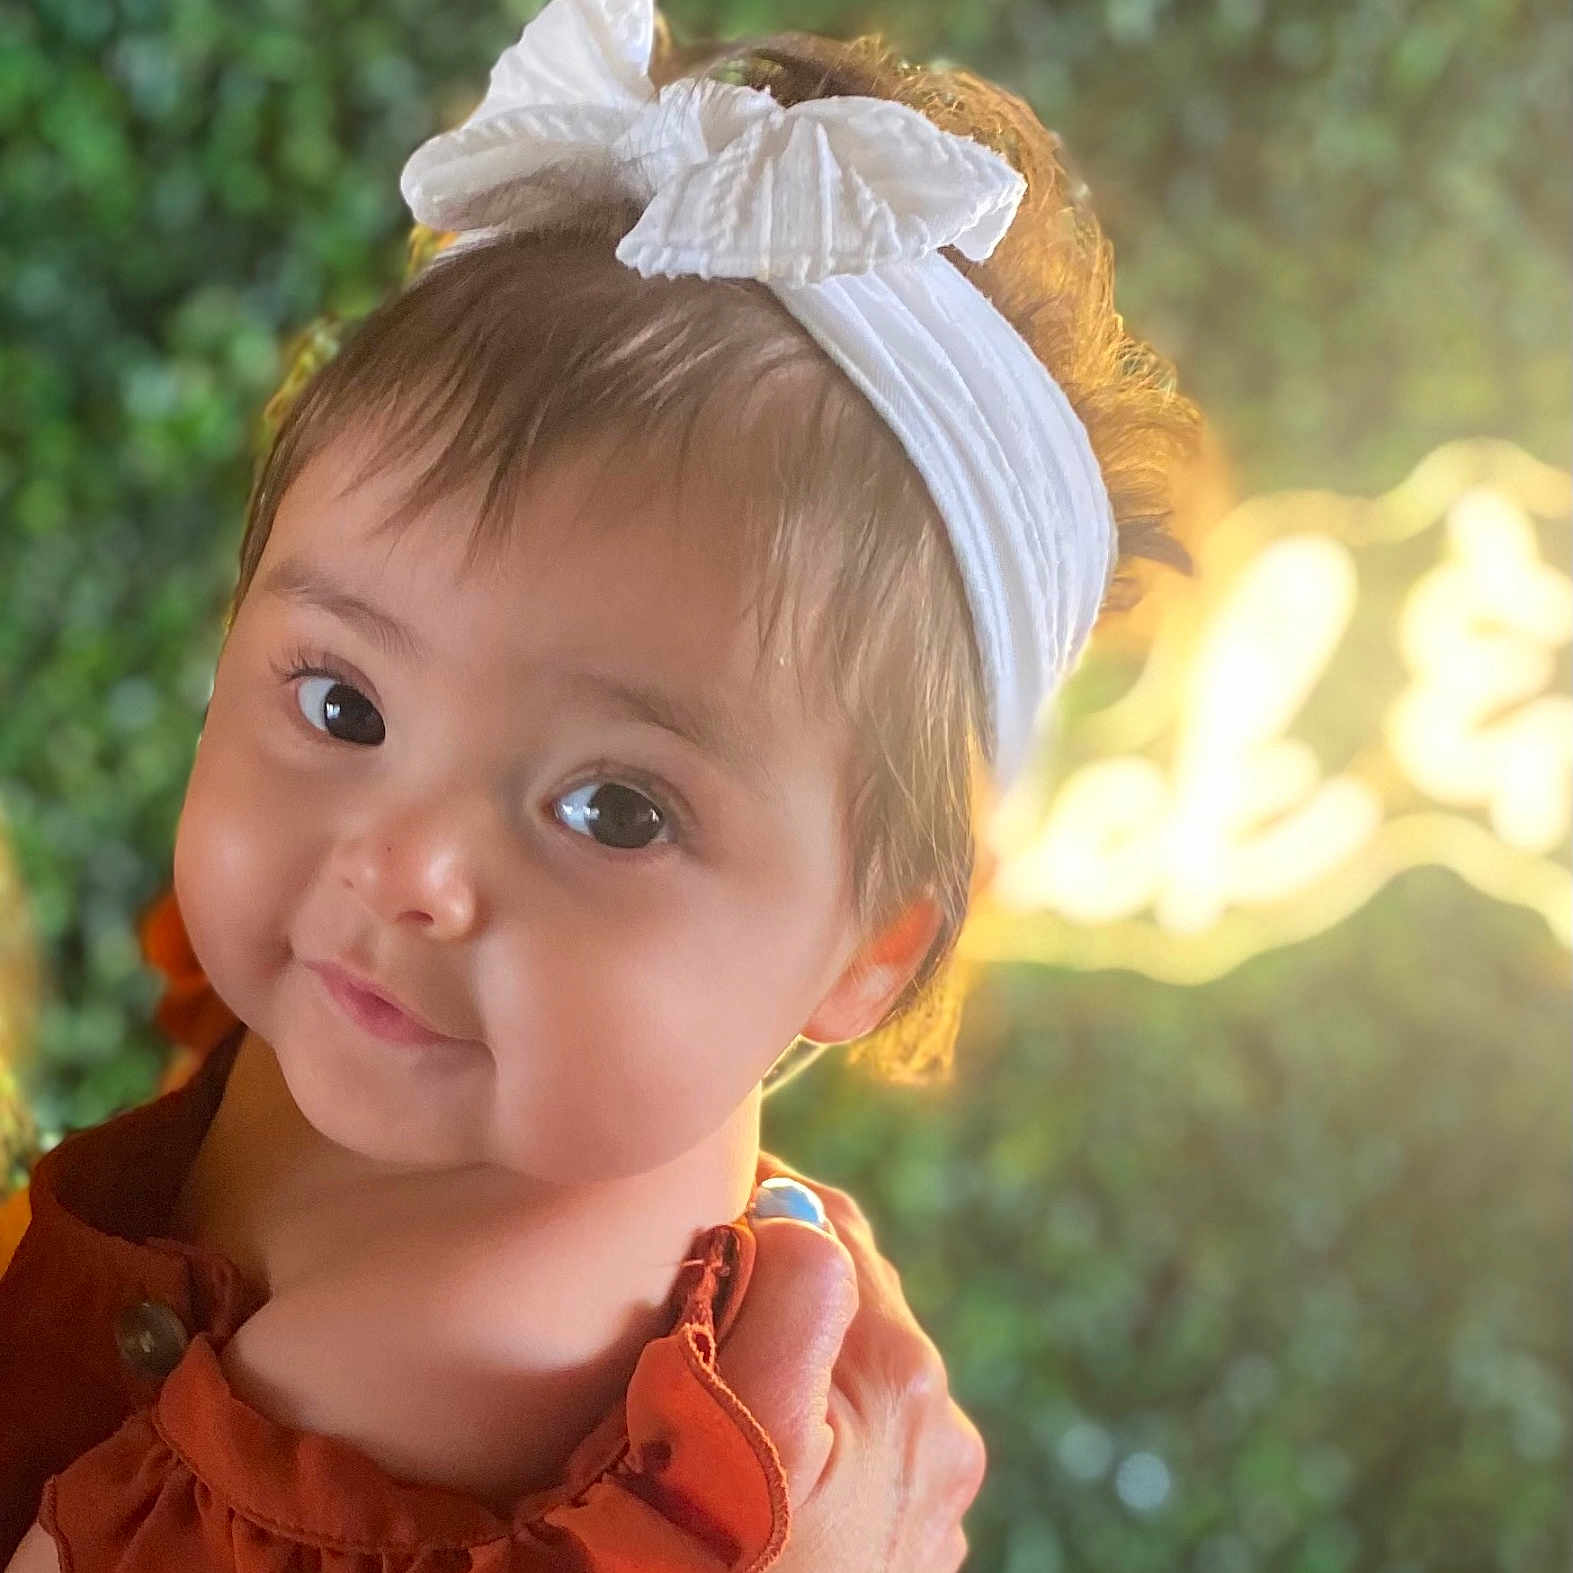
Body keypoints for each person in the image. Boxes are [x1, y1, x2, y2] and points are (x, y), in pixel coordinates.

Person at [0, 0, 1200, 1565]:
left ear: (871, 946)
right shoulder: (426, 1045)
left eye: (615, 809)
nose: (406, 864)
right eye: (345, 704)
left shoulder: (400, 1390)